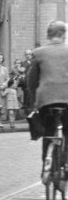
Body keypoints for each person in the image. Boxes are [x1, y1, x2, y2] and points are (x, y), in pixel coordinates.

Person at [27, 21, 68, 165]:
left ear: (48, 35)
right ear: (63, 34)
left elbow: (31, 81)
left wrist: (34, 102)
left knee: (49, 132)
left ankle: (47, 164)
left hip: (46, 99)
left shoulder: (38, 53)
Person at [4, 60, 25, 128]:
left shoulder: (22, 71)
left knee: (19, 104)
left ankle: (15, 119)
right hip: (12, 90)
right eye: (16, 63)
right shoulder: (13, 72)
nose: (17, 64)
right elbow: (10, 81)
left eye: (19, 63)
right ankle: (11, 122)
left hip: (19, 89)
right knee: (11, 109)